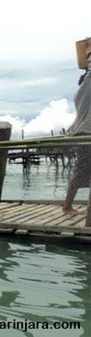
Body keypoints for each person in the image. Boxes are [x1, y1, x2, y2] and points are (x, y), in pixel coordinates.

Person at [62, 38, 91, 215]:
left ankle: (72, 206)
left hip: (86, 134)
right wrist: (89, 52)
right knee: (81, 169)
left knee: (83, 169)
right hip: (86, 134)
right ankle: (67, 207)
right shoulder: (84, 94)